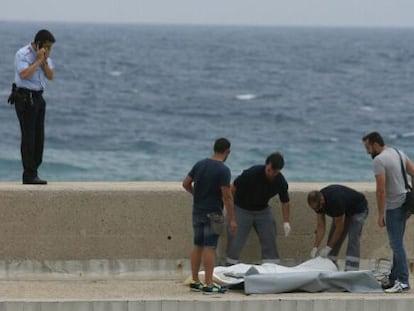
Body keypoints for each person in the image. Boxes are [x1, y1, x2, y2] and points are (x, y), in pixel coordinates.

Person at [182, 138, 237, 294]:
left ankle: (195, 280)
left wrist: (196, 195)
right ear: (227, 152)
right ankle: (208, 284)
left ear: (214, 149)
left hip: (197, 211)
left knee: (198, 245)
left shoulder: (200, 164)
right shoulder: (223, 170)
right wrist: (232, 218)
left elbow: (186, 183)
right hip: (214, 214)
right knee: (210, 248)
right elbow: (227, 197)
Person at [363, 131, 414, 293]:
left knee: (396, 245)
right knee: (397, 242)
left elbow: (381, 190)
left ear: (375, 144)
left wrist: (380, 214)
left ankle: (404, 282)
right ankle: (393, 279)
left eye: (368, 147)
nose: (367, 151)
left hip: (394, 207)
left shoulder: (379, 160)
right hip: (406, 203)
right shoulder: (398, 152)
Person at [225, 152, 291, 266]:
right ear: (266, 165)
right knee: (235, 238)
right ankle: (229, 266)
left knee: (270, 236)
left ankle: (271, 267)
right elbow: (232, 188)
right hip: (241, 208)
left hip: (262, 210)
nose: (271, 173)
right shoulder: (251, 173)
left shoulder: (280, 181)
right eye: (269, 170)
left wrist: (286, 222)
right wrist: (228, 208)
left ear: (279, 170)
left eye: (275, 172)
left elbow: (285, 202)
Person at [11, 29, 56, 184]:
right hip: (24, 98)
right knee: (28, 137)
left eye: (51, 47)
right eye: (47, 47)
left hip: (38, 98)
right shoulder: (22, 54)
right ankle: (29, 174)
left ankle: (34, 170)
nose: (49, 50)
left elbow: (50, 76)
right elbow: (24, 74)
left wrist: (43, 62)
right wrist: (37, 61)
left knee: (39, 138)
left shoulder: (45, 58)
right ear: (38, 44)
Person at [307, 185, 368, 271]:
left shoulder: (335, 201)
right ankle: (331, 266)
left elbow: (339, 229)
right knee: (332, 239)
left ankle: (351, 270)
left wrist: (328, 248)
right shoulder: (318, 204)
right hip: (345, 209)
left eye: (317, 208)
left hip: (358, 209)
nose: (317, 210)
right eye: (314, 209)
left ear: (322, 200)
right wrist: (315, 247)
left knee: (353, 239)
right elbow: (321, 226)